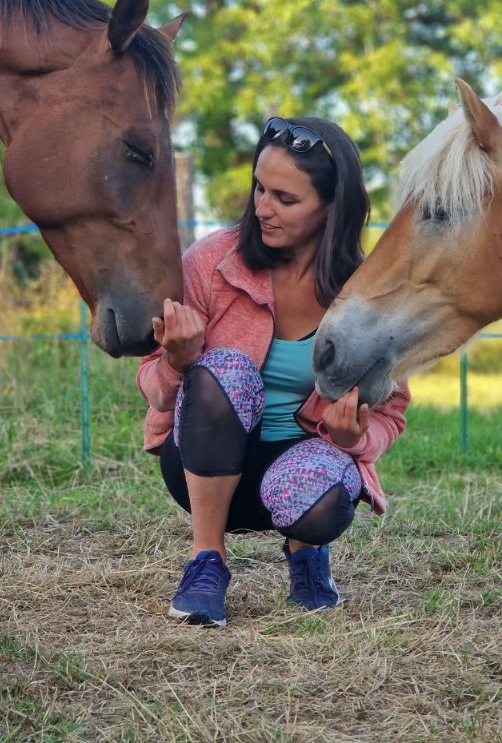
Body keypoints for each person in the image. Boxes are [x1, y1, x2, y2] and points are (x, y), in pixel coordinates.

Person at [137, 116, 410, 627]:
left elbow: (390, 413)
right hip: (202, 466)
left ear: (331, 206)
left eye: (285, 199)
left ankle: (307, 556)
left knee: (325, 500)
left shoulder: (366, 293)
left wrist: (354, 437)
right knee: (225, 370)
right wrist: (177, 361)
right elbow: (152, 385)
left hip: (297, 476)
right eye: (259, 188)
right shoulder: (211, 262)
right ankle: (206, 562)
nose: (263, 208)